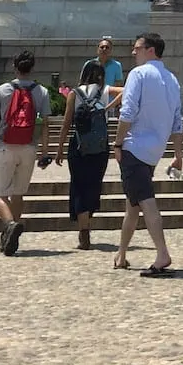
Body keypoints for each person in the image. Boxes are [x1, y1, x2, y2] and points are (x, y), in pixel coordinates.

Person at [112, 32, 183, 276]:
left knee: (145, 200)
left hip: (134, 147)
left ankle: (162, 254)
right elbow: (177, 122)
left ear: (150, 50)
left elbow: (128, 110)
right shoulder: (172, 80)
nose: (134, 52)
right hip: (155, 151)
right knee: (133, 204)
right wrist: (178, 155)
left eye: (137, 48)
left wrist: (118, 143)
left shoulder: (139, 74)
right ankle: (121, 253)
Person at [0, 50, 52, 256]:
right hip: (29, 147)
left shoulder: (3, 90)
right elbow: (45, 125)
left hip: (5, 145)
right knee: (19, 193)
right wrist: (44, 152)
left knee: (0, 193)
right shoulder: (42, 92)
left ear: (14, 66)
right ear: (32, 67)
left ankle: (10, 225)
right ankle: (9, 235)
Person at [55, 61, 119, 249]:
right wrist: (107, 109)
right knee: (93, 185)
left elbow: (67, 123)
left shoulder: (74, 93)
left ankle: (84, 231)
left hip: (79, 145)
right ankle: (87, 222)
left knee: (79, 185)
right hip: (100, 146)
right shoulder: (105, 91)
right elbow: (126, 90)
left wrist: (59, 148)